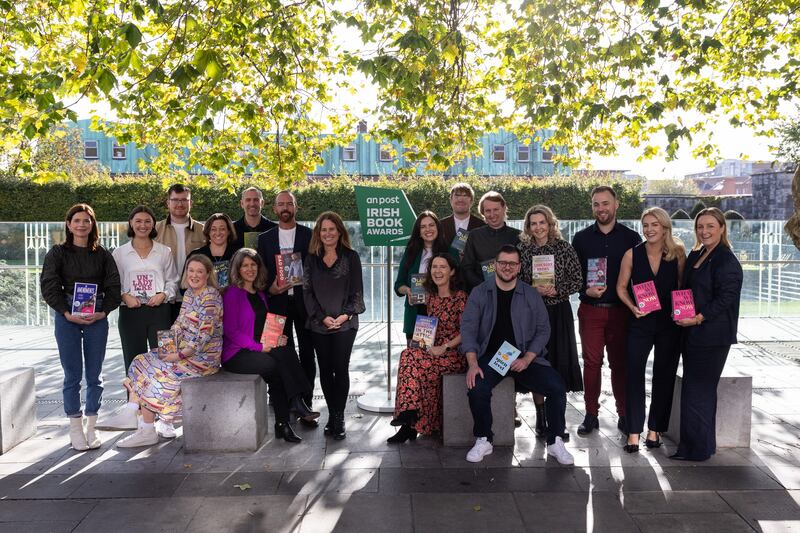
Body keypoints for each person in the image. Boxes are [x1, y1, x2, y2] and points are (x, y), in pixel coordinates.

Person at [460, 245, 573, 465]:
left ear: (519, 267)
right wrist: (472, 364)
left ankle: (555, 441)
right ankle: (484, 438)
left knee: (557, 387)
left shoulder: (530, 293)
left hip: (524, 356)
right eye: (503, 263)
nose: (507, 267)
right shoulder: (480, 292)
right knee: (477, 388)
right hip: (493, 357)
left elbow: (543, 329)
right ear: (495, 265)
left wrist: (527, 358)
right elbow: (468, 328)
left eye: (512, 263)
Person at [114, 255, 223, 447]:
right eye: (191, 270)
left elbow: (204, 335)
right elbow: (179, 324)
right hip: (183, 351)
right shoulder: (189, 293)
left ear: (207, 274)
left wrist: (178, 355)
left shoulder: (211, 296)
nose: (194, 275)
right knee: (141, 359)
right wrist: (166, 347)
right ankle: (136, 410)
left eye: (199, 271)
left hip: (203, 358)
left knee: (159, 372)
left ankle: (147, 428)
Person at [41, 204, 121, 451]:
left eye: (86, 221)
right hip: (67, 314)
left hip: (96, 314)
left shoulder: (103, 254)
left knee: (95, 375)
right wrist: (66, 313)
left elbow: (114, 286)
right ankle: (75, 427)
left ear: (92, 224)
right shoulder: (57, 253)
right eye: (77, 220)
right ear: (68, 224)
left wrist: (103, 311)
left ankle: (92, 426)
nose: (81, 225)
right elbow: (49, 286)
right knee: (72, 374)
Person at [221, 248, 319, 443]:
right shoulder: (233, 293)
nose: (250, 269)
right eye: (245, 266)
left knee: (287, 350)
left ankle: (291, 412)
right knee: (274, 367)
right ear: (238, 269)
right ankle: (290, 413)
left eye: (253, 265)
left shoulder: (259, 293)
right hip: (237, 354)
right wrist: (260, 348)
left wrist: (277, 338)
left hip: (259, 346)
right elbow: (231, 331)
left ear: (259, 267)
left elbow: (265, 325)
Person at [672, 207, 743, 461]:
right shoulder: (699, 253)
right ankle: (699, 445)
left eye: (710, 226)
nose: (704, 231)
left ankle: (697, 450)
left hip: (712, 335)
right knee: (695, 390)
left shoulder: (726, 259)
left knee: (699, 391)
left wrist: (699, 318)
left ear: (722, 228)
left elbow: (726, 298)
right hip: (693, 333)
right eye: (700, 227)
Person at [571, 185, 641, 435]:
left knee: (619, 364)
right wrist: (585, 289)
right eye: (596, 204)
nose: (601, 208)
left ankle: (623, 414)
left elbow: (640, 276)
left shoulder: (632, 238)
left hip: (621, 312)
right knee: (591, 364)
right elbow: (573, 275)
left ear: (616, 204)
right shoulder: (581, 238)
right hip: (591, 310)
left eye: (605, 203)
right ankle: (591, 414)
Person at [616, 207, 685, 453]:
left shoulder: (677, 253)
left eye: (654, 224)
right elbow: (621, 288)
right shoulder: (632, 255)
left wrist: (683, 313)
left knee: (664, 375)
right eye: (645, 225)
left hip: (669, 325)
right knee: (633, 374)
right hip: (640, 323)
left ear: (665, 227)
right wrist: (632, 307)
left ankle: (655, 430)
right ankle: (633, 432)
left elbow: (681, 288)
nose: (649, 229)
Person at [518, 205, 583, 439]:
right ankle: (540, 417)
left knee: (559, 362)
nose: (538, 228)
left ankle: (559, 421)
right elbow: (514, 281)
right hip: (533, 315)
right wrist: (532, 290)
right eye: (533, 223)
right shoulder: (522, 250)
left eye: (542, 222)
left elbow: (577, 280)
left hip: (558, 313)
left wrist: (557, 290)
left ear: (550, 223)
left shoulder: (564, 248)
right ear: (528, 227)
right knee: (538, 363)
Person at [388, 253, 467, 443]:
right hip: (432, 352)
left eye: (443, 267)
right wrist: (422, 343)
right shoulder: (430, 298)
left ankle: (408, 421)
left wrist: (445, 347)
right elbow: (426, 327)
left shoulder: (461, 297)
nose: (438, 271)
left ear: (452, 271)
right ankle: (410, 422)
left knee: (410, 358)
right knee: (410, 356)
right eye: (434, 267)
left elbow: (468, 332)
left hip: (454, 353)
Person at [303, 211, 365, 440]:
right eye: (323, 230)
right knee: (325, 370)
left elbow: (357, 291)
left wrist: (345, 315)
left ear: (339, 231)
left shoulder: (351, 257)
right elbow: (307, 292)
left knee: (341, 368)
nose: (328, 233)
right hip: (319, 324)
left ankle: (339, 417)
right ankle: (332, 415)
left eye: (332, 229)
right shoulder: (311, 259)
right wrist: (321, 317)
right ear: (319, 234)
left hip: (345, 324)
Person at [258, 190, 317, 426]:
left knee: (307, 353)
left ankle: (307, 401)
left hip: (304, 303)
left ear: (296, 207)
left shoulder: (309, 235)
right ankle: (288, 400)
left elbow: (314, 268)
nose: (285, 208)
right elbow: (261, 273)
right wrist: (270, 289)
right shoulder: (265, 238)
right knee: (280, 351)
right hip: (275, 303)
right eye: (281, 204)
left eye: (289, 204)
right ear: (274, 208)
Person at [110, 205, 178, 375]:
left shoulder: (164, 251)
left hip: (161, 312)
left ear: (153, 224)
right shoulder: (119, 253)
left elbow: (173, 280)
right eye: (138, 221)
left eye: (148, 221)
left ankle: (165, 401)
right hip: (131, 314)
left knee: (166, 360)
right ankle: (135, 402)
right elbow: (113, 284)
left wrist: (164, 294)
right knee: (134, 363)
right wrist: (124, 296)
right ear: (131, 224)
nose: (143, 225)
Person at [395, 211, 459, 343]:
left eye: (431, 225)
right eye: (423, 227)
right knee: (418, 359)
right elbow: (399, 284)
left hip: (444, 315)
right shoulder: (411, 251)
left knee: (440, 358)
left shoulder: (450, 251)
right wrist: (407, 291)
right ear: (418, 231)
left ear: (438, 228)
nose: (428, 229)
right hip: (418, 314)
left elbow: (458, 282)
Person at [155, 184, 206, 321]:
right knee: (166, 341)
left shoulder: (203, 231)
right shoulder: (155, 230)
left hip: (194, 298)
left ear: (191, 203)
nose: (180, 203)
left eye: (184, 200)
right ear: (168, 203)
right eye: (175, 200)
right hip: (163, 298)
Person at [461, 191, 520, 291]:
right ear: (483, 213)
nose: (492, 214)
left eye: (496, 209)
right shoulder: (474, 235)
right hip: (481, 293)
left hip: (512, 293)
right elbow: (467, 268)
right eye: (488, 211)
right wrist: (484, 286)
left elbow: (523, 268)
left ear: (504, 208)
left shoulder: (518, 236)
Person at [188, 213, 237, 288]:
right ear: (208, 232)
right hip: (203, 299)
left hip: (233, 298)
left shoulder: (238, 255)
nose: (218, 233)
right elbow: (184, 287)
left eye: (222, 229)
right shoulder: (196, 255)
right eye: (213, 229)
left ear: (229, 231)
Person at [439, 183, 486, 250]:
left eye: (465, 196)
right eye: (457, 196)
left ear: (471, 201)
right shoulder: (440, 225)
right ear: (451, 201)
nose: (460, 199)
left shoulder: (481, 226)